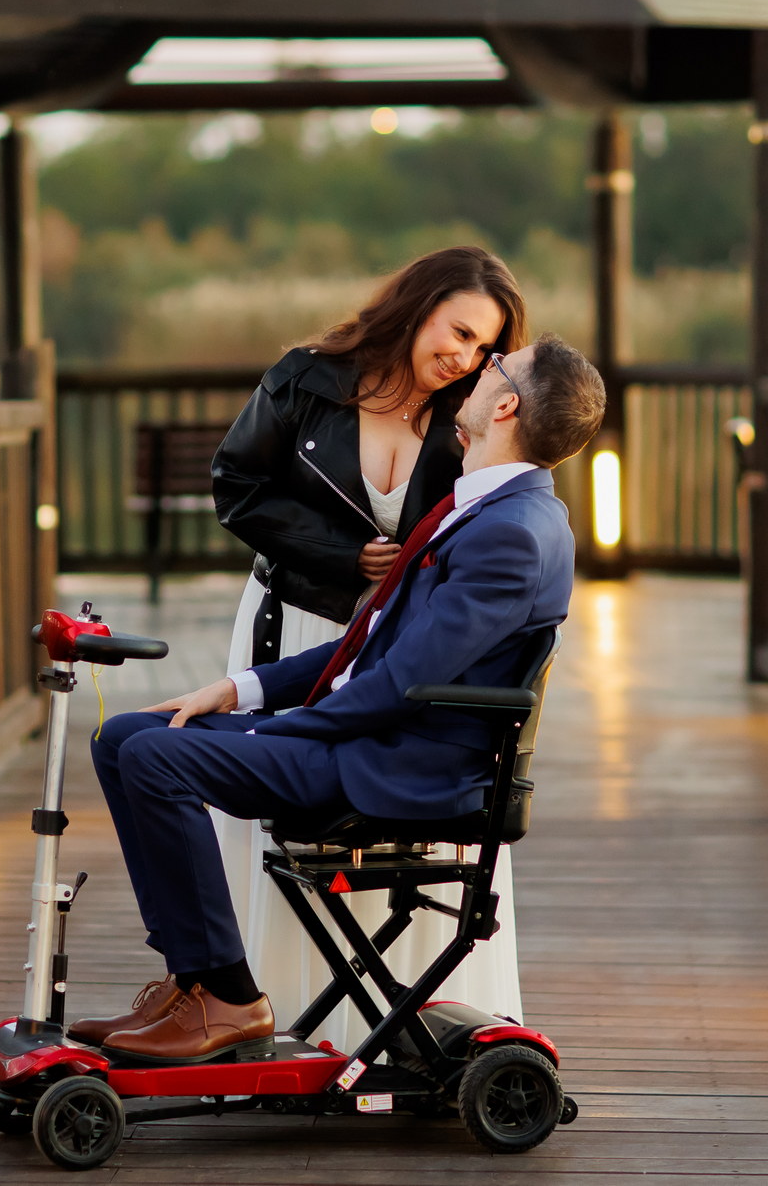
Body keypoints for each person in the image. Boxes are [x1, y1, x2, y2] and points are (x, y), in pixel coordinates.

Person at [76, 334, 607, 1063]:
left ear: (507, 403)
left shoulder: (511, 532)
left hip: (395, 767)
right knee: (123, 736)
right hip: (369, 740)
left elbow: (396, 685)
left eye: (496, 367)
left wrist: (280, 731)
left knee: (156, 759)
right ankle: (192, 981)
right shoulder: (482, 508)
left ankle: (229, 996)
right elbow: (374, 644)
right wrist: (239, 690)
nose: (482, 369)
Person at [207, 247, 528, 1047]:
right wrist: (341, 554)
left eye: (484, 349)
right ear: (419, 306)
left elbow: (484, 528)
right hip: (297, 626)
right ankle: (271, 1023)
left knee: (396, 827)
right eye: (457, 330)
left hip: (404, 651)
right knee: (282, 818)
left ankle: (405, 1033)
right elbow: (234, 487)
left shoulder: (472, 418)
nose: (463, 356)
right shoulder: (304, 377)